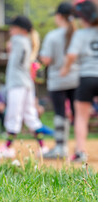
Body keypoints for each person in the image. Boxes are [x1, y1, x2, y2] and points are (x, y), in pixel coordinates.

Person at [0, 16, 48, 159]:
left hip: (17, 83)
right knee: (30, 116)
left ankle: (6, 147)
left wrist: (10, 49)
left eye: (13, 27)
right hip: (26, 83)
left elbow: (16, 63)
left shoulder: (17, 40)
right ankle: (43, 147)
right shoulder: (27, 42)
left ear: (21, 29)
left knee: (13, 115)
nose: (10, 30)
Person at [40, 2, 79, 159]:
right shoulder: (79, 34)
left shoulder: (52, 36)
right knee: (78, 116)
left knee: (60, 114)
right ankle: (79, 148)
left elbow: (46, 59)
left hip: (57, 81)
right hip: (76, 80)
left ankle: (60, 147)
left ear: (59, 16)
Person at [61, 0, 98, 162]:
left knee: (81, 117)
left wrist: (66, 68)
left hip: (87, 77)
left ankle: (80, 152)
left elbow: (71, 55)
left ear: (83, 19)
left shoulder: (81, 34)